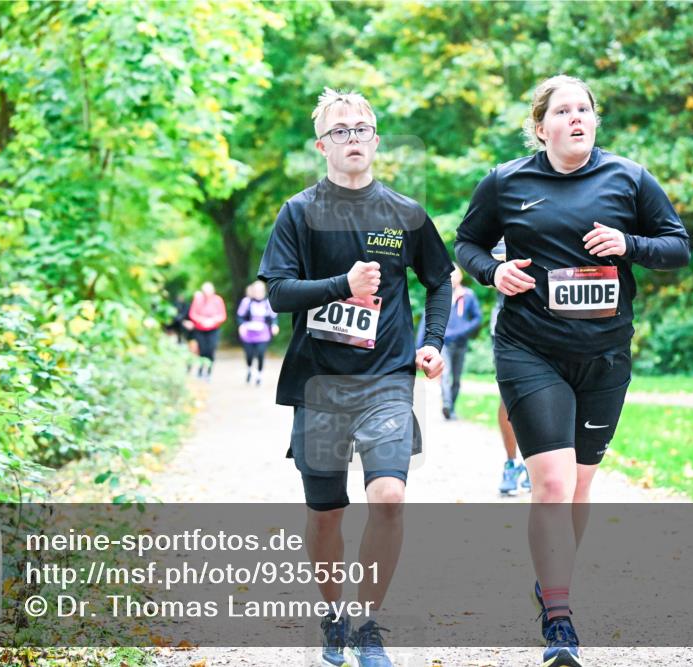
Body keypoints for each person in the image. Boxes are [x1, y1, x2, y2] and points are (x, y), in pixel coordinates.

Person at [455, 75, 690, 667]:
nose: (577, 118)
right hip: (529, 348)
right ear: (541, 126)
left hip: (605, 354)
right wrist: (493, 272)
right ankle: (559, 619)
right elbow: (466, 244)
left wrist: (628, 245)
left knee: (580, 486)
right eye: (563, 110)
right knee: (554, 484)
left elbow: (677, 247)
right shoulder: (507, 182)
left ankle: (550, 582)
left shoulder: (629, 178)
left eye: (585, 109)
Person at [258, 87, 453, 667]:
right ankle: (333, 615)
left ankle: (368, 623)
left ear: (375, 139)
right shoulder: (298, 213)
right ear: (322, 145)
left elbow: (440, 280)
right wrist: (343, 285)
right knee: (326, 513)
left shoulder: (405, 213)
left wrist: (431, 343)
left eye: (361, 128)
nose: (352, 138)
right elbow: (277, 294)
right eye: (339, 130)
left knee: (389, 497)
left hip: (387, 378)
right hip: (318, 384)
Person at [490, 240, 531, 496]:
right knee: (510, 397)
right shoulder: (506, 210)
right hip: (508, 324)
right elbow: (488, 267)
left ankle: (533, 464)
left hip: (553, 323)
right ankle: (511, 463)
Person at [416, 267, 482, 421]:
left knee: (457, 378)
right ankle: (446, 404)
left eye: (455, 274)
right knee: (445, 375)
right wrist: (420, 345)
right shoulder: (439, 295)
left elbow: (477, 319)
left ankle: (451, 407)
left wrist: (462, 331)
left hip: (461, 342)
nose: (452, 277)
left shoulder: (468, 295)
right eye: (449, 275)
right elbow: (427, 319)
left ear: (460, 276)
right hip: (444, 343)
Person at [236, 280, 279, 386]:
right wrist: (241, 325)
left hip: (263, 334)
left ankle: (259, 375)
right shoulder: (246, 302)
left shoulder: (268, 303)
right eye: (256, 290)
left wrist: (274, 325)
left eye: (260, 290)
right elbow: (240, 316)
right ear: (252, 291)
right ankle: (249, 369)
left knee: (260, 354)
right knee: (249, 355)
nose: (258, 292)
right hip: (248, 333)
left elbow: (273, 317)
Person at [184, 281, 226, 380]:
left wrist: (213, 320)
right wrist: (202, 320)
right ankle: (201, 369)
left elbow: (222, 315)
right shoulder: (198, 299)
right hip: (200, 329)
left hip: (213, 329)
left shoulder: (218, 300)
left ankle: (209, 372)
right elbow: (192, 314)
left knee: (210, 350)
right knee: (202, 350)